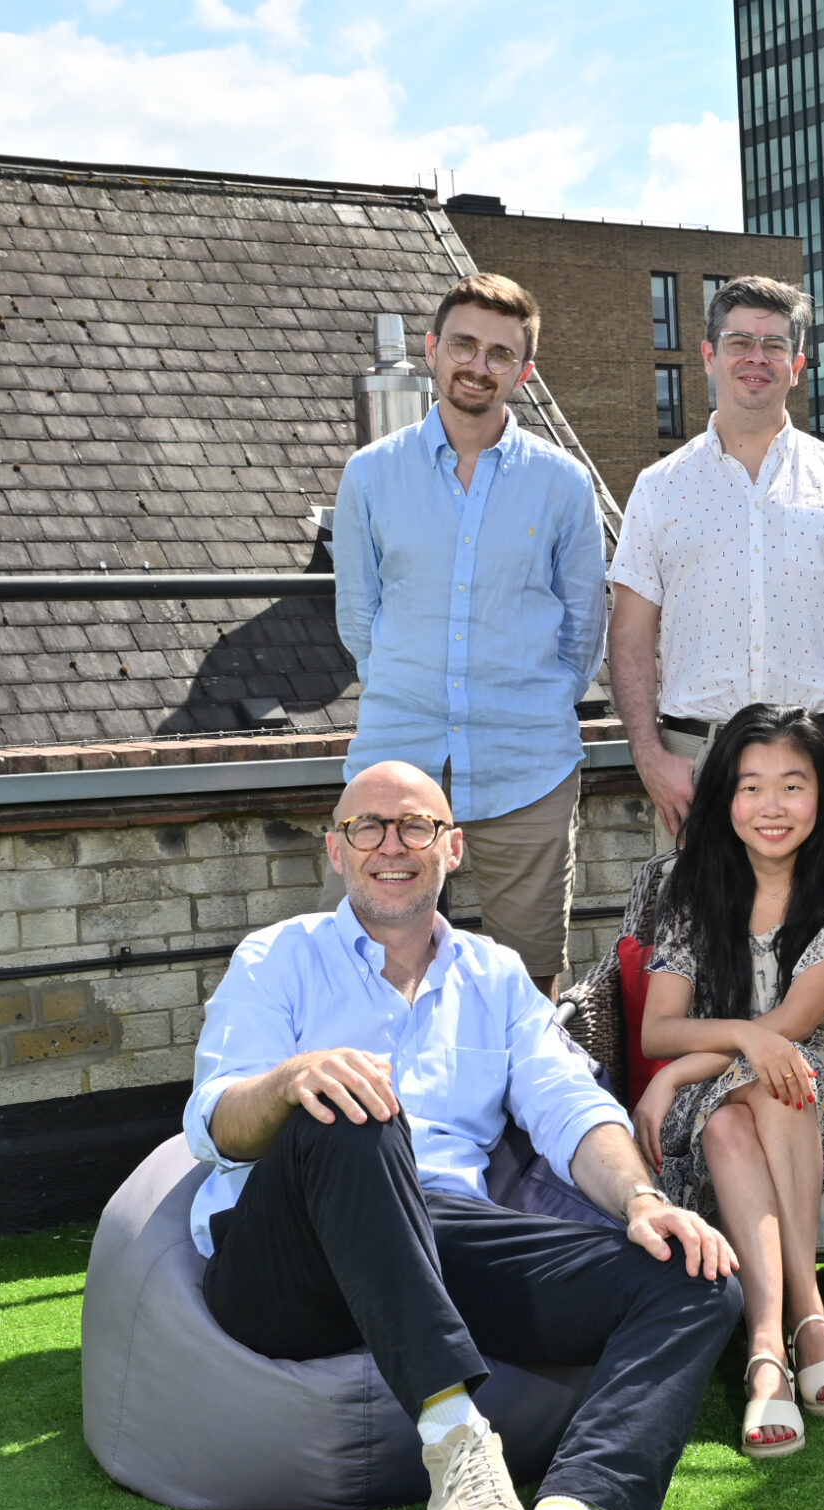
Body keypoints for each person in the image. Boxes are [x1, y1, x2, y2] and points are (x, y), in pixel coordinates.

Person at [186, 760, 741, 1510]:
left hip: (439, 1242)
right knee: (355, 1104)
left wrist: (643, 1199)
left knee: (697, 1275)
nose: (392, 845)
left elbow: (569, 1105)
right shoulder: (278, 956)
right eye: (368, 826)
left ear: (452, 849)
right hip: (288, 1260)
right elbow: (216, 1122)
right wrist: (295, 1079)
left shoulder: (496, 974)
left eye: (416, 825)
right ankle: (457, 1443)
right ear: (335, 850)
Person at [621, 704, 824, 1460]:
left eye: (793, 784)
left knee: (768, 1086)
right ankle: (810, 1324)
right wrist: (738, 1041)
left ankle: (766, 1349)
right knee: (733, 1106)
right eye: (751, 787)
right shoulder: (691, 885)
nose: (772, 806)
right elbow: (657, 1026)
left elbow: (792, 1024)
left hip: (821, 1104)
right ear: (726, 798)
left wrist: (684, 1068)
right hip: (714, 1107)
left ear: (822, 794)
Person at [331, 272, 607, 994]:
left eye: (499, 353)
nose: (478, 365)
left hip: (529, 766)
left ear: (524, 371)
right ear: (431, 349)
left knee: (530, 979)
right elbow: (358, 618)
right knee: (375, 969)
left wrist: (529, 701)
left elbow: (584, 630)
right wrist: (414, 687)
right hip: (396, 761)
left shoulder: (564, 484)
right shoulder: (369, 475)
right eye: (463, 345)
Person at [610, 275, 824, 836]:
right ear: (708, 356)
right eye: (740, 342)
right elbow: (628, 632)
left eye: (774, 345)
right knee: (696, 900)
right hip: (693, 767)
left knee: (822, 899)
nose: (757, 357)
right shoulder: (658, 487)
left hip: (818, 760)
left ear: (796, 365)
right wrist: (647, 754)